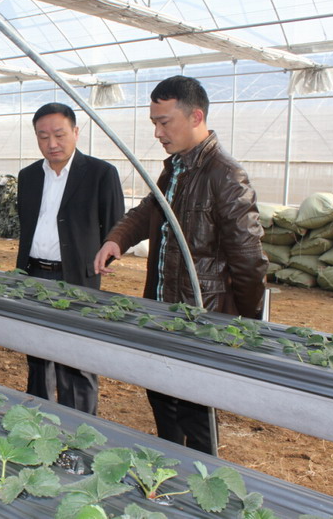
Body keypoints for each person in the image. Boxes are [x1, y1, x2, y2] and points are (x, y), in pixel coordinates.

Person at [93, 75, 268, 454]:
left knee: (195, 409)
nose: (157, 132)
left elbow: (249, 261)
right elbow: (149, 209)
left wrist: (243, 322)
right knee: (161, 397)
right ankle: (168, 469)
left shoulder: (226, 176)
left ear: (195, 117)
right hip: (162, 309)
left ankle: (202, 477)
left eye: (164, 122)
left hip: (200, 316)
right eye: (154, 123)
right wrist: (116, 239)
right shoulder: (175, 168)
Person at [17, 102, 124, 415]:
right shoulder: (28, 176)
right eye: (43, 136)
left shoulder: (101, 174)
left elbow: (114, 227)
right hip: (34, 276)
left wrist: (90, 265)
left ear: (76, 132)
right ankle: (37, 419)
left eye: (59, 134)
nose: (51, 143)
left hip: (76, 278)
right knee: (37, 353)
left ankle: (79, 425)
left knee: (76, 357)